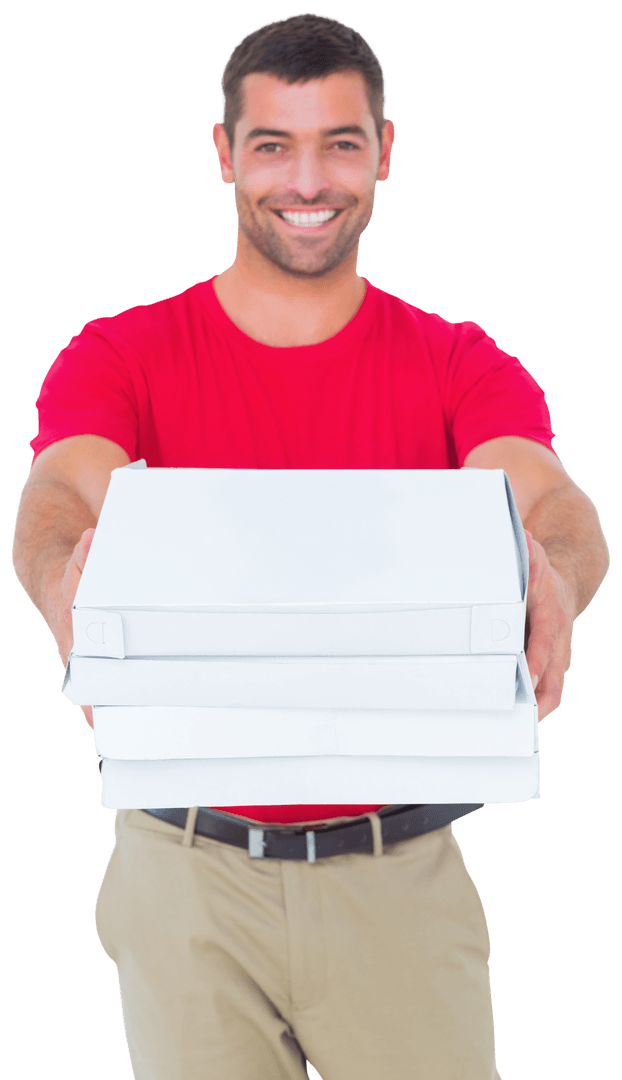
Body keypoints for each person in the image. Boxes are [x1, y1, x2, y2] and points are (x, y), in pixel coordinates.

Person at [10, 13, 610, 1080]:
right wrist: (67, 590)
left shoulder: (456, 360)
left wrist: (553, 575)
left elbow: (547, 498)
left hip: (397, 871)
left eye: (339, 141)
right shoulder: (124, 352)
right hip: (181, 872)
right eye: (273, 144)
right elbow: (60, 489)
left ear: (383, 151)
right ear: (224, 156)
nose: (307, 179)